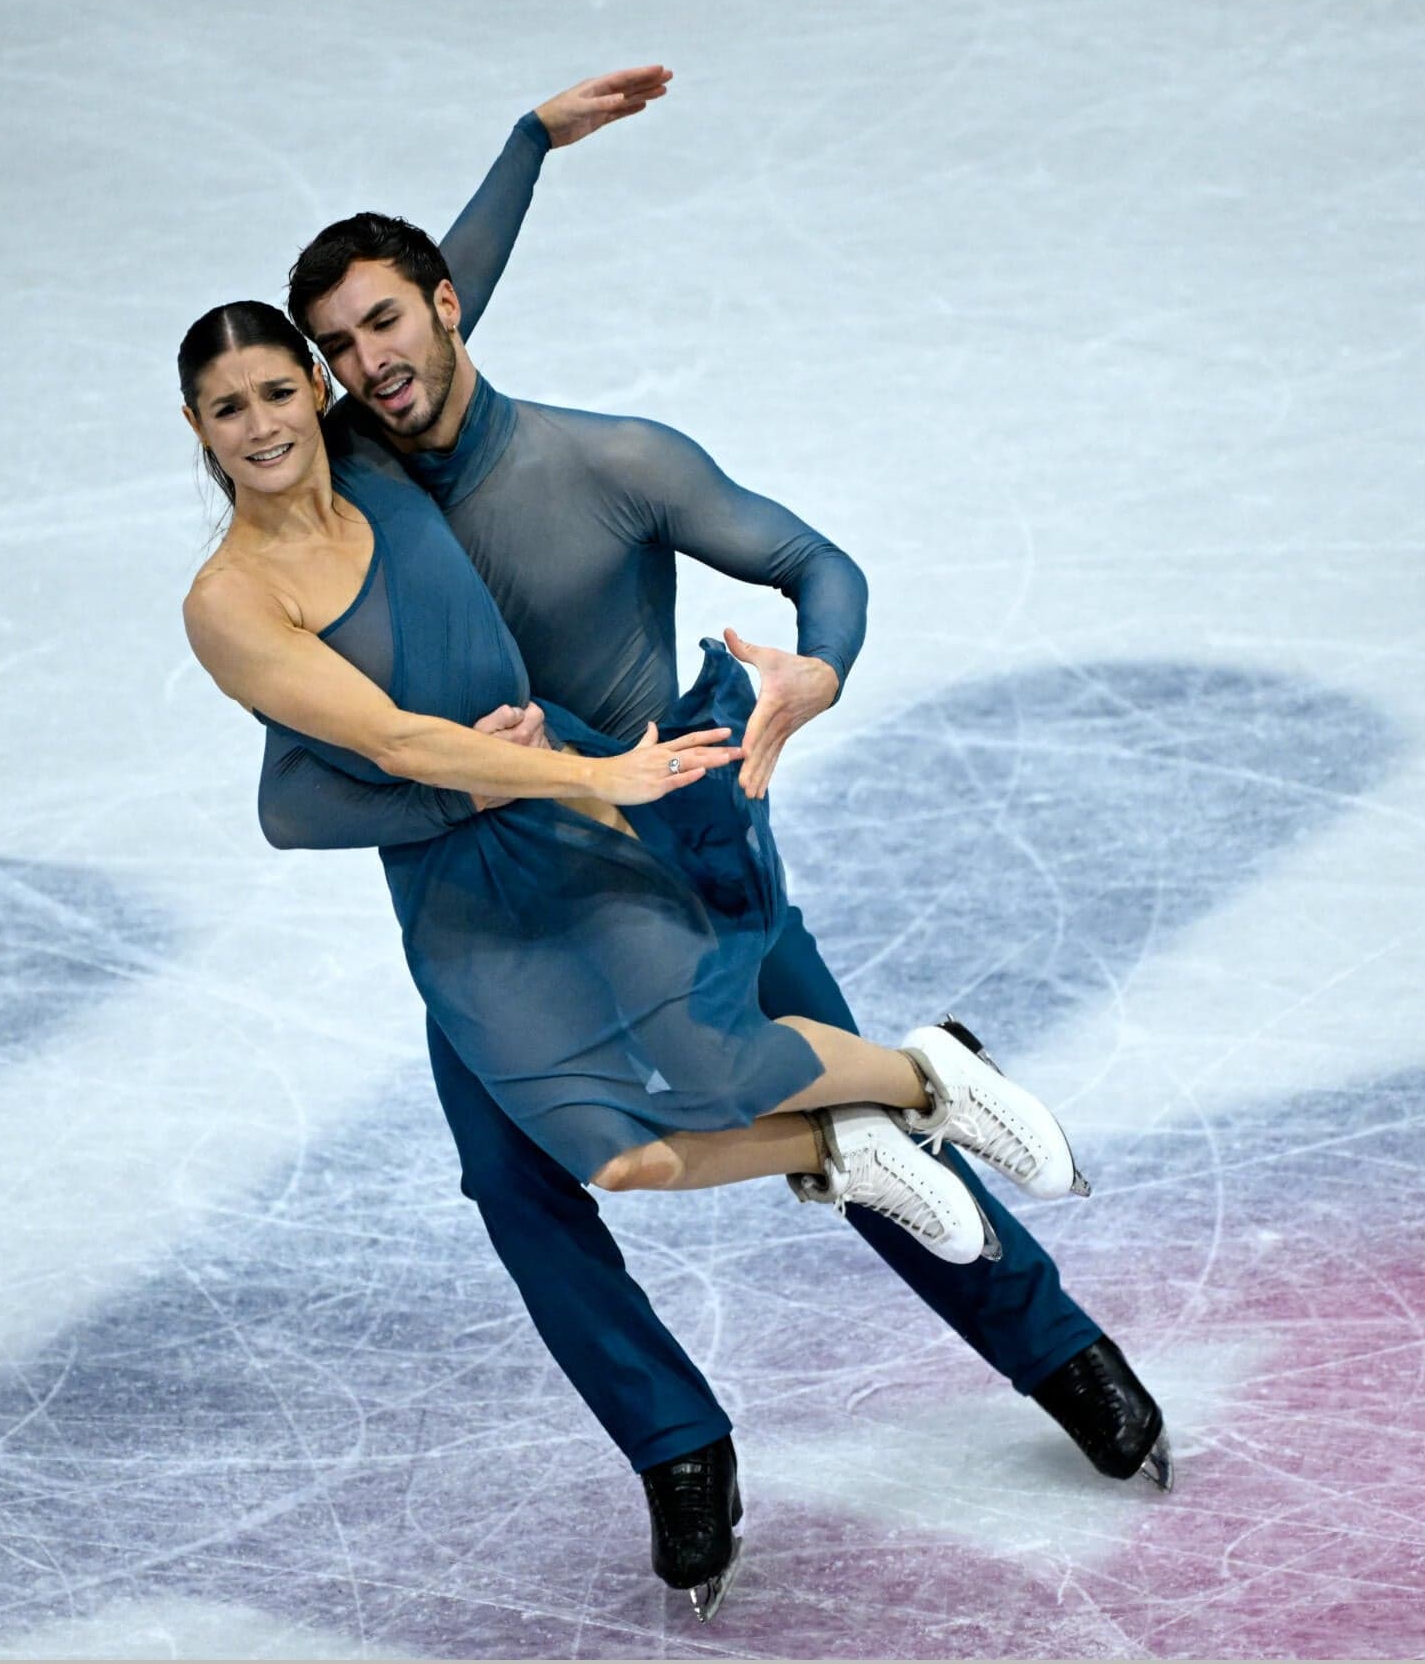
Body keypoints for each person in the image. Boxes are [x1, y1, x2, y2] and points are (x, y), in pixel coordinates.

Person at [255, 126, 1170, 1610]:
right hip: (485, 897)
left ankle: (1060, 1352)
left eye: (388, 323)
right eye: (338, 347)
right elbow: (411, 306)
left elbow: (820, 566)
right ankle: (678, 1448)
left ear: (446, 305)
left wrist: (818, 675)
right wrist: (530, 146)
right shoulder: (348, 478)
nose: (367, 363)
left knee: (840, 1099)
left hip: (670, 852)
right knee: (514, 1180)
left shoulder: (609, 462)